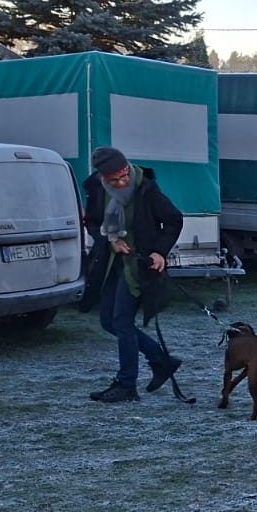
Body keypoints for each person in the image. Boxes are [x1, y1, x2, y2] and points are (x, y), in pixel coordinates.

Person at [80, 147, 183, 403]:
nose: (122, 182)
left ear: (127, 167)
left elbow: (174, 220)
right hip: (110, 263)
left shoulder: (146, 188)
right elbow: (92, 222)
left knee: (122, 322)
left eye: (124, 175)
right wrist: (111, 240)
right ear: (102, 177)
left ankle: (127, 385)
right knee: (107, 321)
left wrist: (159, 252)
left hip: (138, 266)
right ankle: (161, 359)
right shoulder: (96, 188)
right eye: (114, 179)